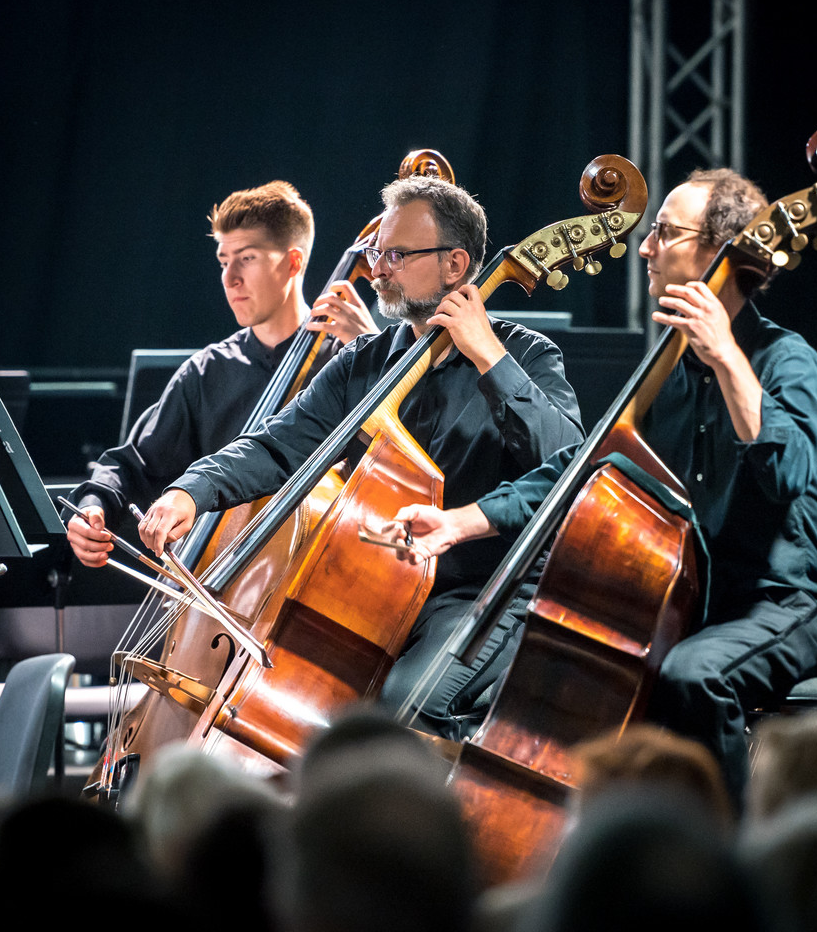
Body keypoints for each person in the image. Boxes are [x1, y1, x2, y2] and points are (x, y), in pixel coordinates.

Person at [386, 168, 817, 809]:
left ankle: (726, 862)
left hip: (775, 603)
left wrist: (729, 360)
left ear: (719, 253)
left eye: (664, 232)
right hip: (680, 603)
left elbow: (792, 477)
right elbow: (579, 468)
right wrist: (463, 520)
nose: (646, 247)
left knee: (692, 675)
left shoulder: (782, 358)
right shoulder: (667, 368)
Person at [136, 174, 584, 739]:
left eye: (397, 254)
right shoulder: (365, 364)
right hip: (378, 588)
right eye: (377, 252)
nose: (378, 268)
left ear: (455, 264)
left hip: (479, 591)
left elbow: (569, 463)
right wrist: (190, 490)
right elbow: (278, 444)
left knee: (405, 705)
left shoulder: (525, 353)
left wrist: (488, 356)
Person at [65, 179, 378, 567]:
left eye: (246, 258)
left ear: (293, 262)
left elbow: (398, 462)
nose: (229, 278)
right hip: (211, 586)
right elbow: (133, 466)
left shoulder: (348, 362)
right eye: (223, 261)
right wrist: (93, 507)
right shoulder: (206, 372)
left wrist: (375, 354)